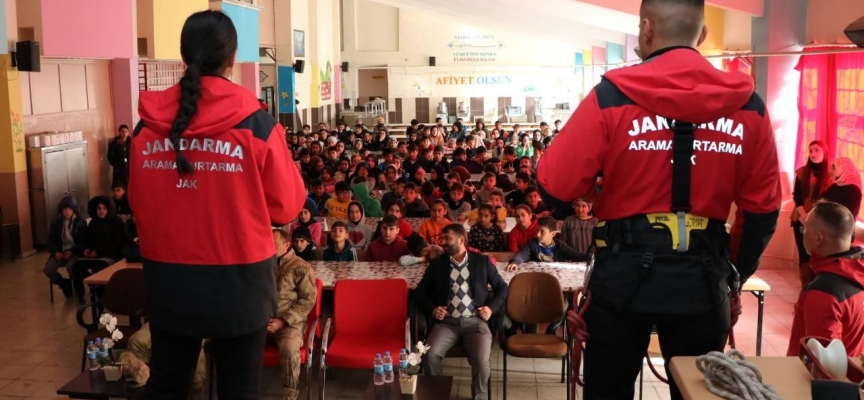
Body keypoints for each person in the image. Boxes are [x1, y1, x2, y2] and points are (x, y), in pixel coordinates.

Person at [540, 1, 781, 399]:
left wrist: (598, 191)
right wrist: (732, 271)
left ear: (646, 30)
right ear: (701, 35)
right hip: (703, 280)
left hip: (621, 277)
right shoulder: (748, 106)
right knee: (697, 392)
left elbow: (554, 188)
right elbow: (762, 213)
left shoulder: (611, 97)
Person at [129, 11, 304, 399]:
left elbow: (138, 203)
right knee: (238, 391)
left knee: (168, 386)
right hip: (239, 280)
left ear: (182, 53)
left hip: (168, 277)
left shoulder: (146, 127)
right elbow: (287, 207)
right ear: (232, 58)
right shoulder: (256, 125)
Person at [415, 224, 509, 400]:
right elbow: (419, 294)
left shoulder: (482, 262)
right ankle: (438, 395)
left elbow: (502, 288)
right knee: (430, 355)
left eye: (447, 239)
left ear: (461, 240)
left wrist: (490, 308)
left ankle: (479, 398)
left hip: (476, 322)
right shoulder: (438, 265)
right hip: (446, 325)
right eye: (441, 238)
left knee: (482, 362)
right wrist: (433, 309)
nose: (443, 242)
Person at [786, 201, 864, 358]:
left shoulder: (824, 292)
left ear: (818, 238)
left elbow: (823, 363)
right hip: (851, 378)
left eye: (805, 228)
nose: (803, 233)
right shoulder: (858, 274)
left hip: (809, 381)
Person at [270, 228, 317, 400]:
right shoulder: (262, 266)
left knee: (289, 348)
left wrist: (283, 321)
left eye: (273, 246)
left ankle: (290, 393)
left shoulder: (300, 267)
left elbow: (308, 300)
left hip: (289, 323)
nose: (269, 249)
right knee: (238, 341)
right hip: (261, 321)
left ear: (287, 245)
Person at [792, 140, 834, 286]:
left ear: (824, 153)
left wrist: (814, 218)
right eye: (810, 151)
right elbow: (796, 196)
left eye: (817, 150)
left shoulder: (830, 174)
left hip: (820, 219)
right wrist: (804, 216)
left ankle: (816, 288)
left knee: (817, 253)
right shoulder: (802, 172)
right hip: (801, 217)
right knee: (803, 254)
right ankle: (805, 287)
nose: (813, 154)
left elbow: (829, 198)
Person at [44, 196, 87, 300]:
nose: (67, 212)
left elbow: (84, 242)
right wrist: (55, 252)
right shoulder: (56, 223)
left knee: (71, 266)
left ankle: (77, 284)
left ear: (74, 210)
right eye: (64, 209)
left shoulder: (81, 222)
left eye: (70, 209)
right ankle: (64, 284)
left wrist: (73, 251)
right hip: (60, 252)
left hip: (75, 251)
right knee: (48, 270)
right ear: (61, 210)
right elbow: (50, 241)